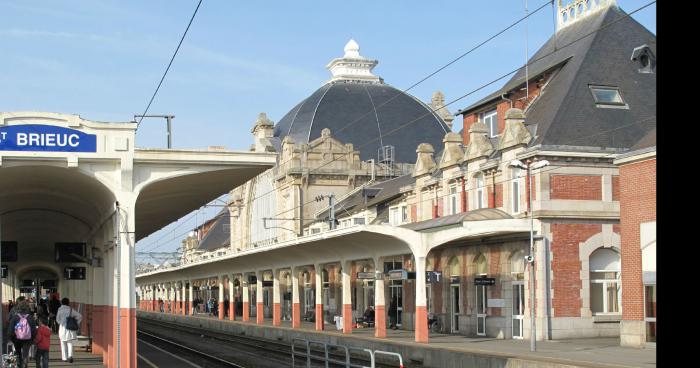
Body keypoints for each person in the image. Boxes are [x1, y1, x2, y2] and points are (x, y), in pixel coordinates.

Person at [7, 300, 38, 368]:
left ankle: (19, 364)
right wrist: (32, 338)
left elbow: (11, 329)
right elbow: (34, 330)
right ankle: (24, 364)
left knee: (18, 353)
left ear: (19, 308)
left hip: (16, 339)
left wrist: (11, 338)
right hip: (27, 339)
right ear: (27, 308)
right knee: (25, 353)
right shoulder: (30, 317)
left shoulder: (15, 317)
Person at [56, 298, 82, 363]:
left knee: (63, 343)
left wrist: (61, 323)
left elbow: (57, 319)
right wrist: (76, 323)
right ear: (68, 303)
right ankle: (70, 356)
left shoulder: (59, 310)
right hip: (70, 329)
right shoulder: (70, 310)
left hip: (62, 329)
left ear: (61, 303)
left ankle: (64, 358)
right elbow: (80, 316)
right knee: (70, 343)